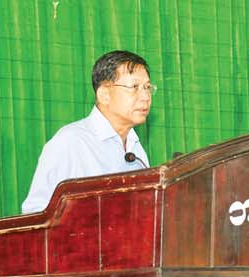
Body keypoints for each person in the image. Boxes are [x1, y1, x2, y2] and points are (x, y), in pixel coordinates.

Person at [23, 50, 155, 213]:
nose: (145, 96)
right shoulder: (70, 142)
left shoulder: (136, 150)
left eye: (147, 87)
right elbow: (36, 213)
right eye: (134, 87)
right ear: (104, 95)